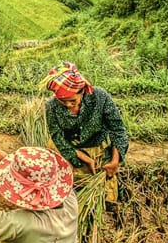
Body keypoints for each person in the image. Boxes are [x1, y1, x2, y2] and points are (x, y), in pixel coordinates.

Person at [43, 62, 128, 192]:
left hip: (96, 146)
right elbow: (57, 137)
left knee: (106, 189)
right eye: (62, 101)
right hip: (68, 147)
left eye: (72, 101)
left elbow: (117, 129)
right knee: (61, 183)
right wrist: (84, 158)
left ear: (82, 91)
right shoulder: (51, 106)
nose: (68, 105)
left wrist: (115, 161)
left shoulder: (100, 97)